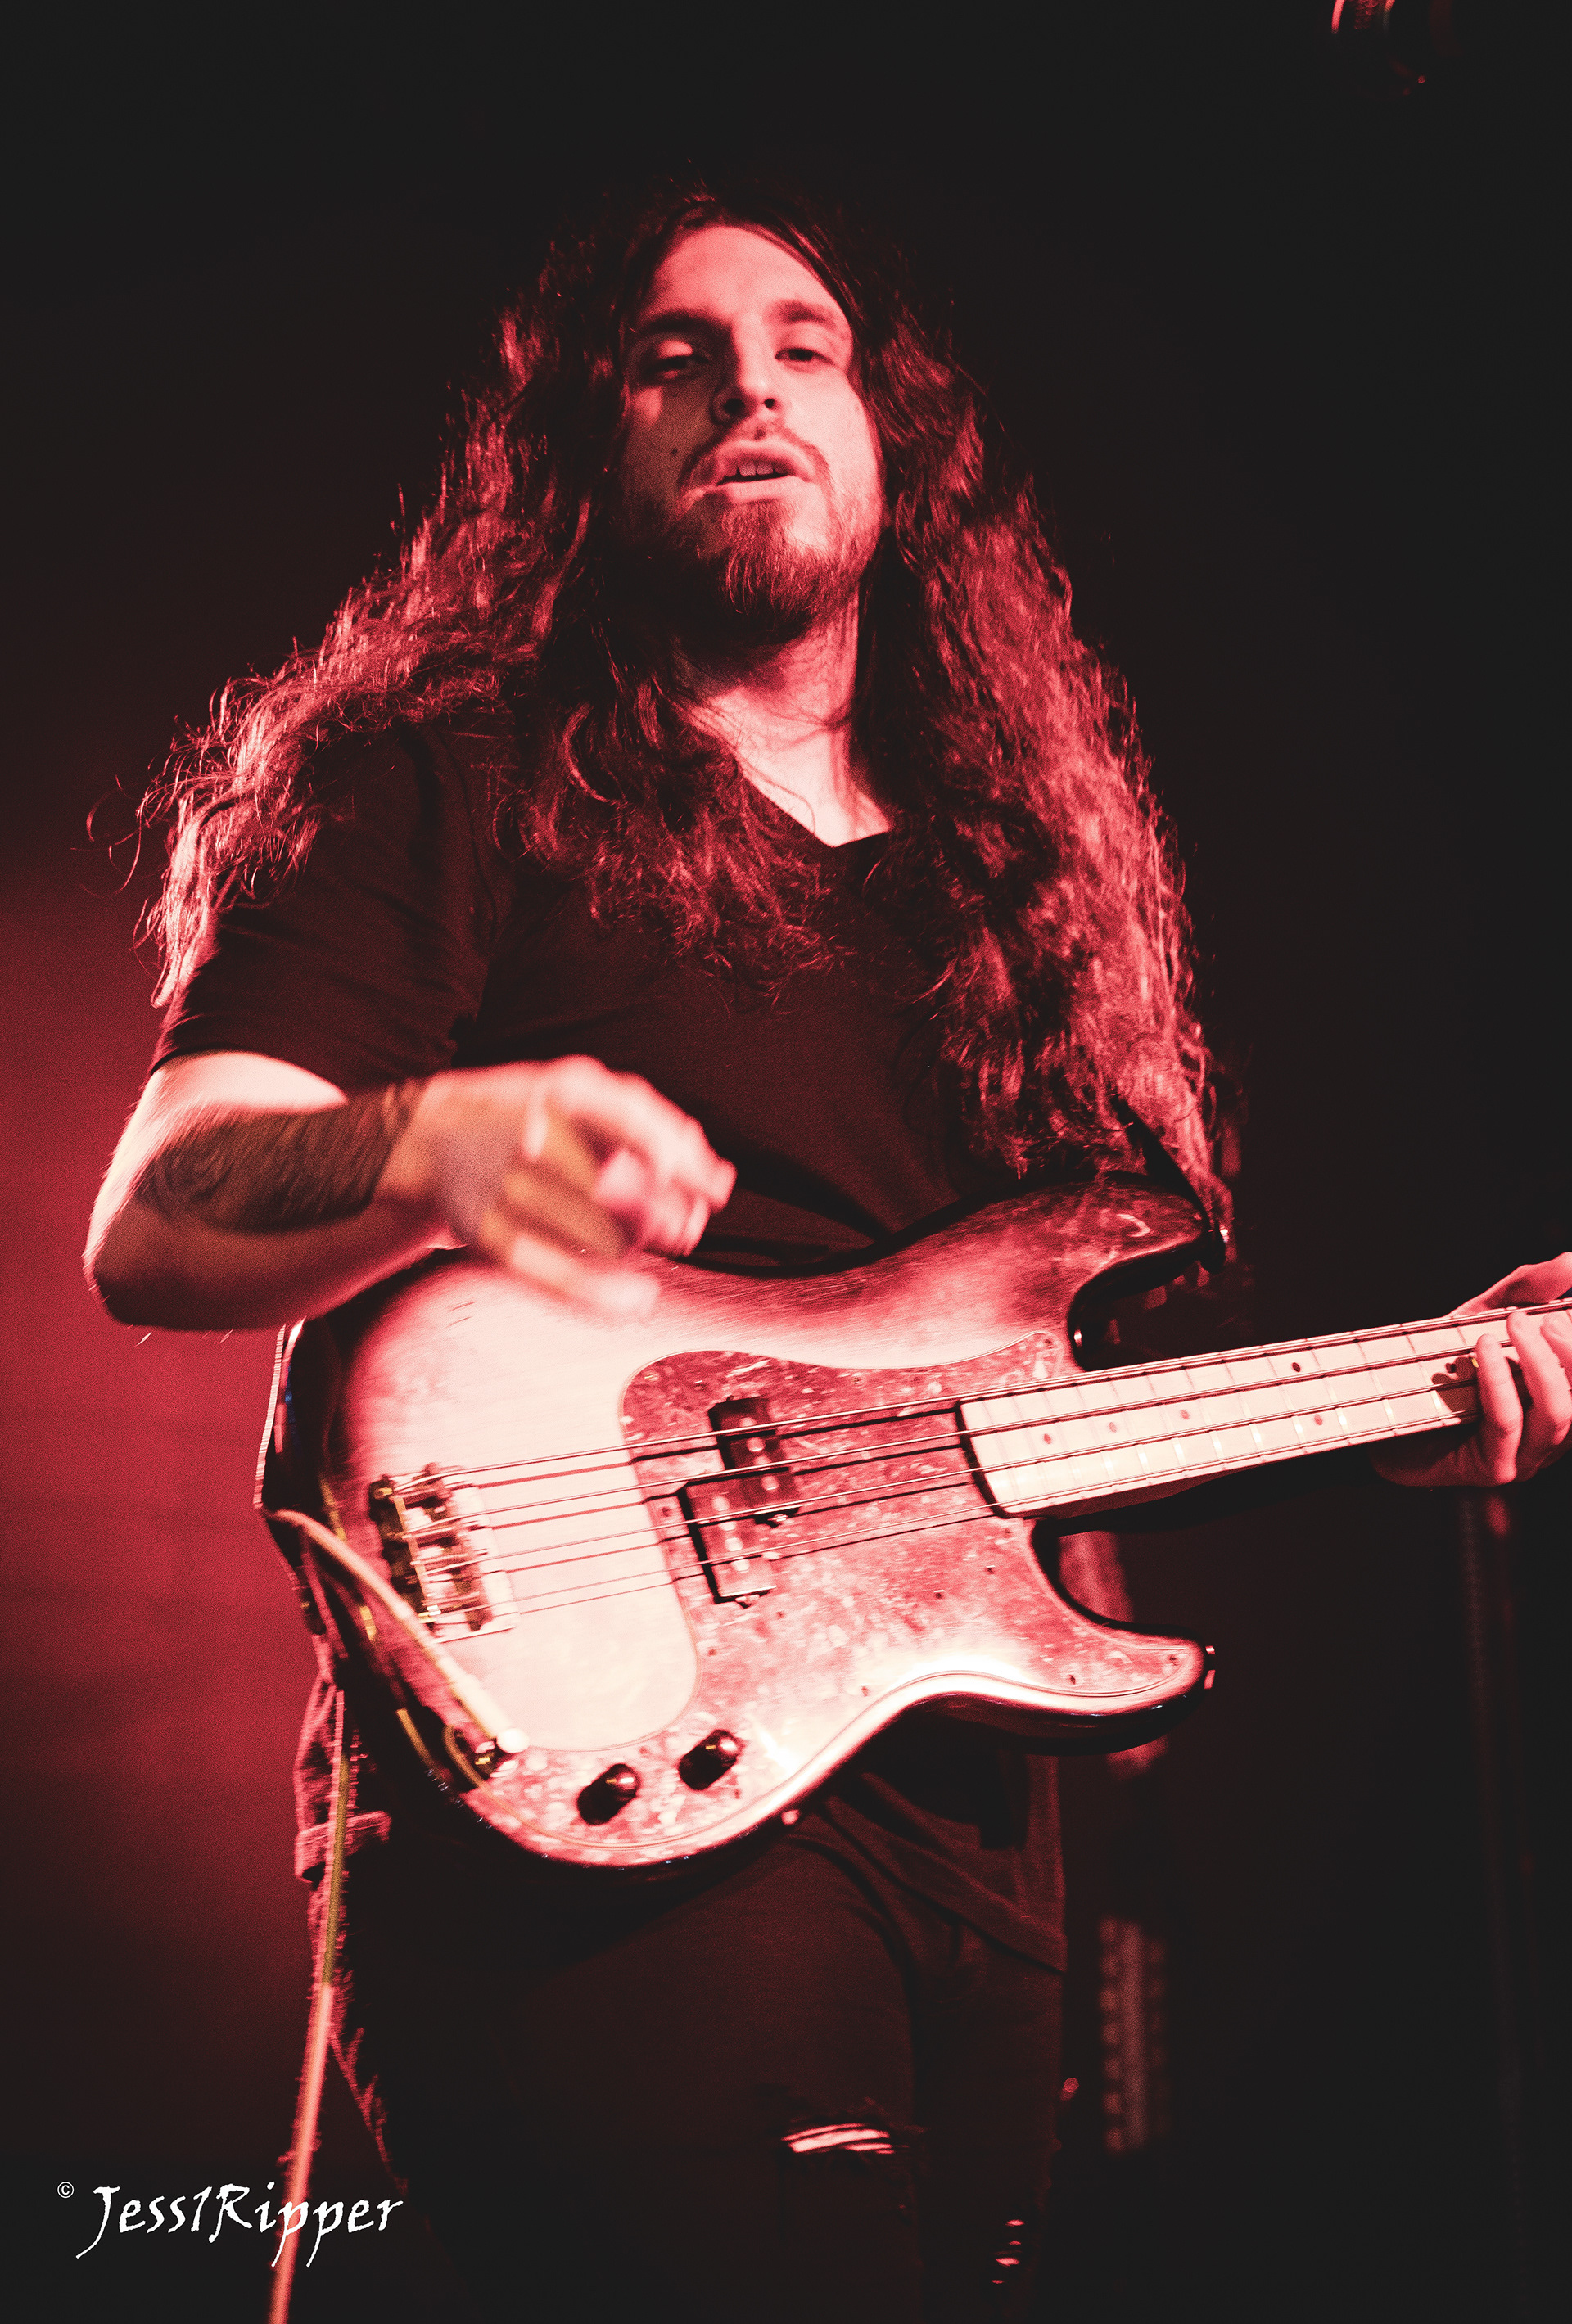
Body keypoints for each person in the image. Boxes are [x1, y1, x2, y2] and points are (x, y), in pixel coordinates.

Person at [84, 174, 1571, 2322]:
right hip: (594, 1799)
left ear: (899, 447)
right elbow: (163, 1214)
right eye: (671, 357)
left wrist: (1414, 1397)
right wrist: (440, 1141)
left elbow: (1037, 1426)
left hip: (970, 1843)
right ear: (585, 445)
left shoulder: (1014, 900)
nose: (748, 388)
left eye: (807, 347)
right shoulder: (455, 777)